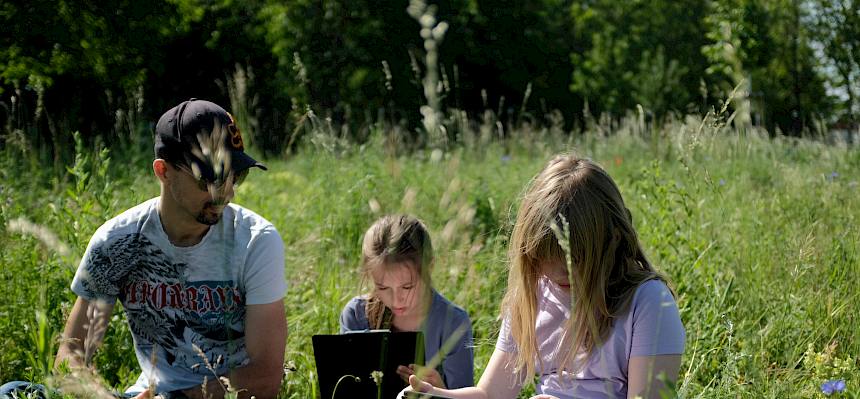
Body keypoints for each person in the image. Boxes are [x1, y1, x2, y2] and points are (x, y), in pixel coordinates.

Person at [51, 99, 288, 399]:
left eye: (236, 175)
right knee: (14, 391)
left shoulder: (256, 241)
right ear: (163, 171)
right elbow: (70, 356)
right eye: (211, 177)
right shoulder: (117, 242)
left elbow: (265, 377)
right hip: (146, 394)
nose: (226, 191)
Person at [402, 155, 685, 399]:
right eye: (544, 258)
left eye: (576, 258)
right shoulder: (535, 297)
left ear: (610, 241)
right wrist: (436, 395)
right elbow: (491, 394)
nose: (558, 271)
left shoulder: (647, 302)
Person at [339, 215, 474, 389]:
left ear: (429, 267)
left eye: (408, 287)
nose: (396, 300)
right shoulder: (356, 314)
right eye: (383, 287)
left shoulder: (453, 322)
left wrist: (439, 391)